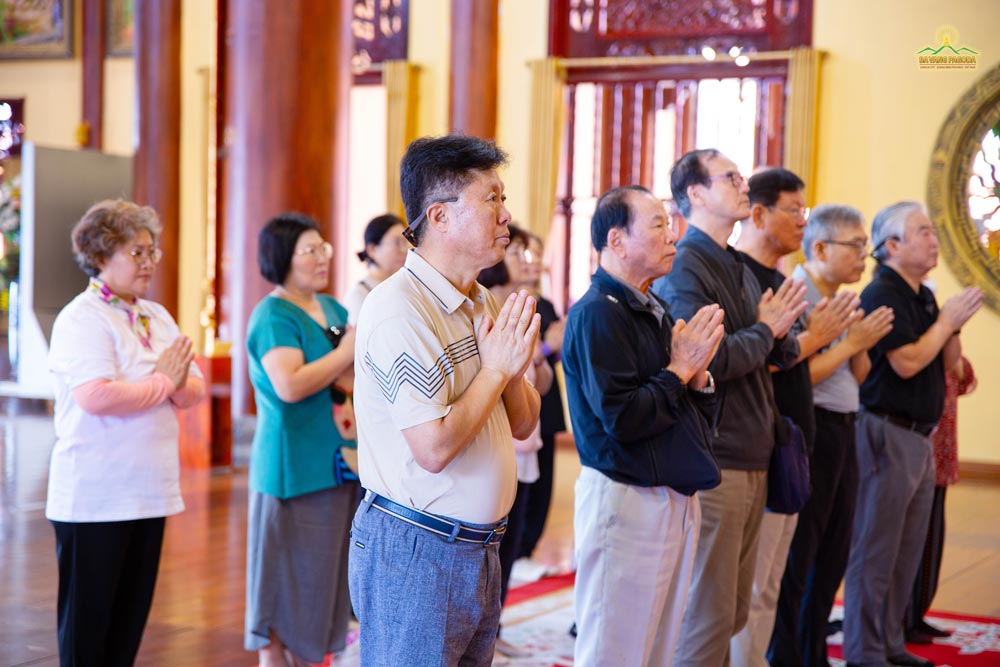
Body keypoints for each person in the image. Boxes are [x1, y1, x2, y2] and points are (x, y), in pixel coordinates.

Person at [349, 135, 542, 667]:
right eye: (492, 199)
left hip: (478, 549)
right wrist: (499, 367)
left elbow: (524, 424)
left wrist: (511, 371)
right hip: (417, 550)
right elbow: (432, 448)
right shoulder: (398, 309)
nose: (506, 215)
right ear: (440, 215)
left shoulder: (478, 297)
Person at [651, 150, 807, 667]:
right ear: (695, 194)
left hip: (754, 448)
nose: (744, 185)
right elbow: (710, 355)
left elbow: (773, 347)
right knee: (709, 614)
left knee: (735, 610)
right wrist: (766, 330)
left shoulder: (736, 263)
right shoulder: (686, 263)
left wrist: (773, 332)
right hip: (719, 453)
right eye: (731, 178)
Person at [563, 185, 725, 666]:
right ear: (617, 241)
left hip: (667, 494)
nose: (672, 233)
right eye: (657, 224)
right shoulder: (596, 314)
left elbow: (687, 411)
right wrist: (678, 372)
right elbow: (623, 420)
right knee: (615, 647)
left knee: (656, 645)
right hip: (626, 498)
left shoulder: (651, 308)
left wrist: (697, 378)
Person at [47, 199, 206, 666]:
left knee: (127, 624)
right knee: (87, 631)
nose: (148, 262)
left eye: (152, 252)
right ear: (101, 254)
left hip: (148, 492)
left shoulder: (155, 315)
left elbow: (194, 386)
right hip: (95, 497)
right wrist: (163, 383)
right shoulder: (82, 318)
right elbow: (96, 396)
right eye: (137, 252)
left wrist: (172, 385)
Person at [843, 201, 983, 667]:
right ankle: (864, 652)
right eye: (922, 231)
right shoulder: (882, 292)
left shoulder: (920, 293)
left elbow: (948, 362)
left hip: (921, 436)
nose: (933, 238)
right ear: (891, 246)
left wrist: (952, 323)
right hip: (886, 431)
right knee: (877, 549)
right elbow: (905, 362)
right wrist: (945, 322)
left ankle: (890, 645)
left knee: (906, 552)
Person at [730, 168, 860, 667]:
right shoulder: (744, 276)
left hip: (797, 439)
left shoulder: (782, 280)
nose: (803, 223)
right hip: (763, 441)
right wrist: (829, 337)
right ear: (759, 213)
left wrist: (840, 336)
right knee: (762, 580)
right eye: (795, 211)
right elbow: (763, 357)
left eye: (806, 212)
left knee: (788, 572)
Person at [769, 204, 894, 667]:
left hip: (845, 428)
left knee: (835, 548)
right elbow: (795, 374)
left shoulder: (846, 298)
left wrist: (859, 343)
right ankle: (791, 655)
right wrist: (849, 343)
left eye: (866, 245)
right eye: (856, 245)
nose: (865, 255)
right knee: (802, 552)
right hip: (810, 428)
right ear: (820, 248)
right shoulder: (794, 294)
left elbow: (858, 373)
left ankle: (814, 651)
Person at [244, 213, 359, 667]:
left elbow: (350, 378)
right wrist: (345, 354)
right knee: (285, 582)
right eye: (308, 250)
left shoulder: (332, 308)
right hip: (292, 467)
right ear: (281, 259)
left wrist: (346, 362)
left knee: (324, 580)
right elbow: (289, 385)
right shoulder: (273, 314)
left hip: (338, 459)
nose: (320, 257)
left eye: (323, 248)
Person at [476, 224, 554, 658]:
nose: (525, 260)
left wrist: (535, 358)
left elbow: (538, 383)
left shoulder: (526, 307)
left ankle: (496, 623)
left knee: (516, 536)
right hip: (497, 441)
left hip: (526, 437)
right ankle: (489, 627)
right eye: (517, 251)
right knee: (496, 544)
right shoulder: (487, 308)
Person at [904, 355, 976, 644]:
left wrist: (951, 346)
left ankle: (917, 614)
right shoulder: (916, 348)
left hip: (940, 462)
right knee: (907, 543)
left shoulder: (945, 349)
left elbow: (966, 379)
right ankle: (901, 618)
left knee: (932, 541)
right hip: (913, 459)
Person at [513, 229, 567, 574]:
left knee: (542, 484)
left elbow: (550, 357)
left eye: (535, 256)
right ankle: (517, 554)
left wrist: (553, 348)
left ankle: (528, 550)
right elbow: (528, 356)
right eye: (522, 256)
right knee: (519, 490)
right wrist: (545, 347)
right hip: (519, 409)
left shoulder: (544, 304)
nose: (531, 265)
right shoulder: (504, 303)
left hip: (544, 403)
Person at [342, 213, 408, 325]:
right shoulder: (359, 294)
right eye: (396, 243)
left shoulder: (405, 285)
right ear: (372, 249)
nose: (404, 250)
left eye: (405, 242)